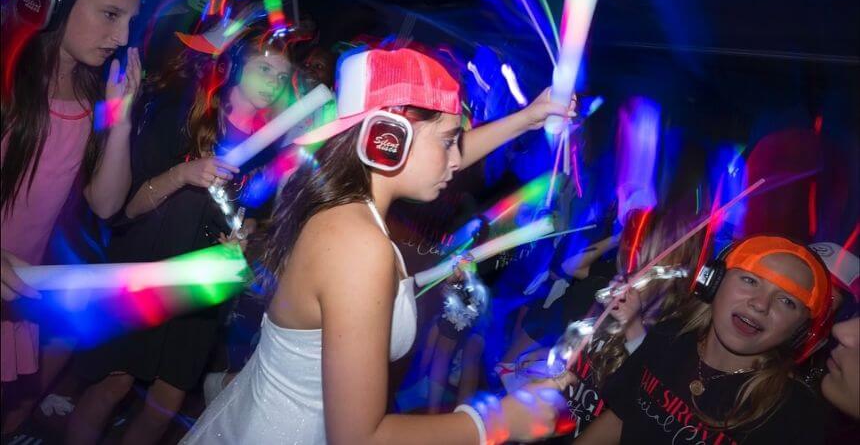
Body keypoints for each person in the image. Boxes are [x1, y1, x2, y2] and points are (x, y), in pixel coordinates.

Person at [182, 47, 575, 444]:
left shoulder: (340, 199)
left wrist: (527, 118)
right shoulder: (358, 246)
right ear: (389, 139)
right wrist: (498, 421)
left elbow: (437, 155)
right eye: (448, 140)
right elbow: (359, 438)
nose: (456, 160)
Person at [68, 13, 300, 445]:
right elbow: (123, 209)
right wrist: (184, 174)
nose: (273, 81)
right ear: (233, 65)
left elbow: (254, 217)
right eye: (264, 67)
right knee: (113, 385)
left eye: (282, 75)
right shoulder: (185, 116)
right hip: (150, 268)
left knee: (166, 403)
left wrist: (246, 235)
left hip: (206, 285)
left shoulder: (270, 147)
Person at [1, 0, 145, 435]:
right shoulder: (7, 77)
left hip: (14, 292)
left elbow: (105, 204)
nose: (123, 38)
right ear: (49, 0)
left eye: (130, 20)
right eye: (110, 14)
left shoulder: (88, 94)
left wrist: (121, 120)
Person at [576, 235, 834, 444]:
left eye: (787, 301)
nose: (760, 304)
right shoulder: (669, 335)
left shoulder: (795, 415)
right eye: (750, 280)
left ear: (801, 330)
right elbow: (619, 418)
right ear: (713, 281)